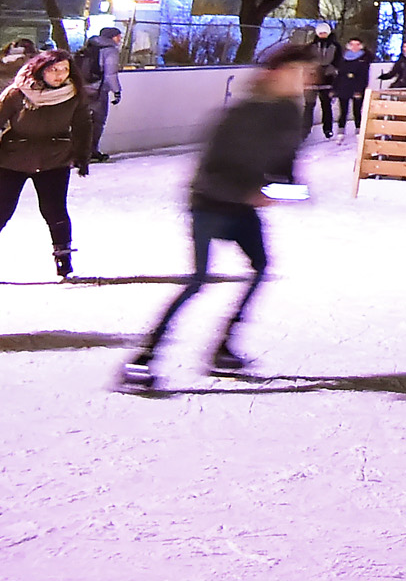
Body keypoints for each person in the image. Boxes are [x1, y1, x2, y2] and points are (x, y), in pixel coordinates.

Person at [122, 45, 320, 389]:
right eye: (301, 73)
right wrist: (249, 192)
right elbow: (209, 171)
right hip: (209, 202)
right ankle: (144, 357)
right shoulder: (240, 113)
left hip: (242, 206)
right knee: (199, 280)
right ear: (276, 73)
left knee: (260, 268)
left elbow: (284, 163)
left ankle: (224, 347)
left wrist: (287, 187)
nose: (308, 81)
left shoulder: (289, 111)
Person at [0, 50, 93, 279]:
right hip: (13, 158)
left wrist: (82, 156)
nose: (60, 75)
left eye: (64, 69)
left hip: (55, 159)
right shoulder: (17, 93)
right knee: (2, 210)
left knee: (55, 211)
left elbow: (83, 126)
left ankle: (64, 264)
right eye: (54, 69)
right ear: (41, 69)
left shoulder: (74, 94)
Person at [75, 26, 122, 160]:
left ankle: (78, 152)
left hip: (82, 88)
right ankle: (91, 152)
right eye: (118, 36)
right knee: (97, 122)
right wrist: (117, 91)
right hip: (98, 90)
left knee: (82, 121)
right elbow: (110, 74)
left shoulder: (89, 47)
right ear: (111, 37)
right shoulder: (110, 50)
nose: (120, 38)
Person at [303, 24, 341, 138]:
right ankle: (305, 129)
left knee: (326, 105)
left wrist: (329, 70)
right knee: (309, 105)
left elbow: (338, 61)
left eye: (324, 32)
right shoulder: (311, 46)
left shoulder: (335, 46)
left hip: (327, 80)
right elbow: (306, 61)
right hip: (312, 80)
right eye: (320, 32)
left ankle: (327, 129)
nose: (322, 34)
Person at [330, 35, 372, 138]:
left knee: (357, 110)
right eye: (352, 44)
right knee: (343, 110)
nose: (354, 47)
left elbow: (364, 77)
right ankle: (341, 130)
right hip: (343, 87)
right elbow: (339, 75)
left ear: (361, 46)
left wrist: (360, 90)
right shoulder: (343, 58)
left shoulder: (364, 59)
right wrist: (334, 89)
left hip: (357, 88)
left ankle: (358, 129)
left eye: (357, 45)